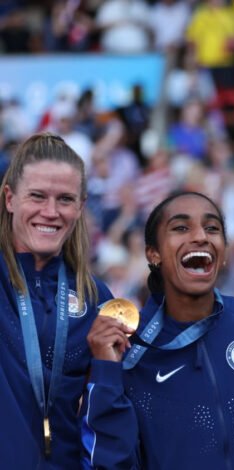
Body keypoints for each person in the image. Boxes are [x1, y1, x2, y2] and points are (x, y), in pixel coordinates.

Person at [80, 192, 234, 469]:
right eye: (180, 227)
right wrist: (104, 372)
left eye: (212, 228)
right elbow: (110, 461)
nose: (200, 236)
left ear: (223, 252)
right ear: (154, 253)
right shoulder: (128, 348)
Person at [0, 133, 113, 467]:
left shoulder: (96, 299)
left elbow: (109, 415)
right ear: (10, 199)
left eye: (64, 199)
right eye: (37, 196)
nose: (50, 212)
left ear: (80, 206)